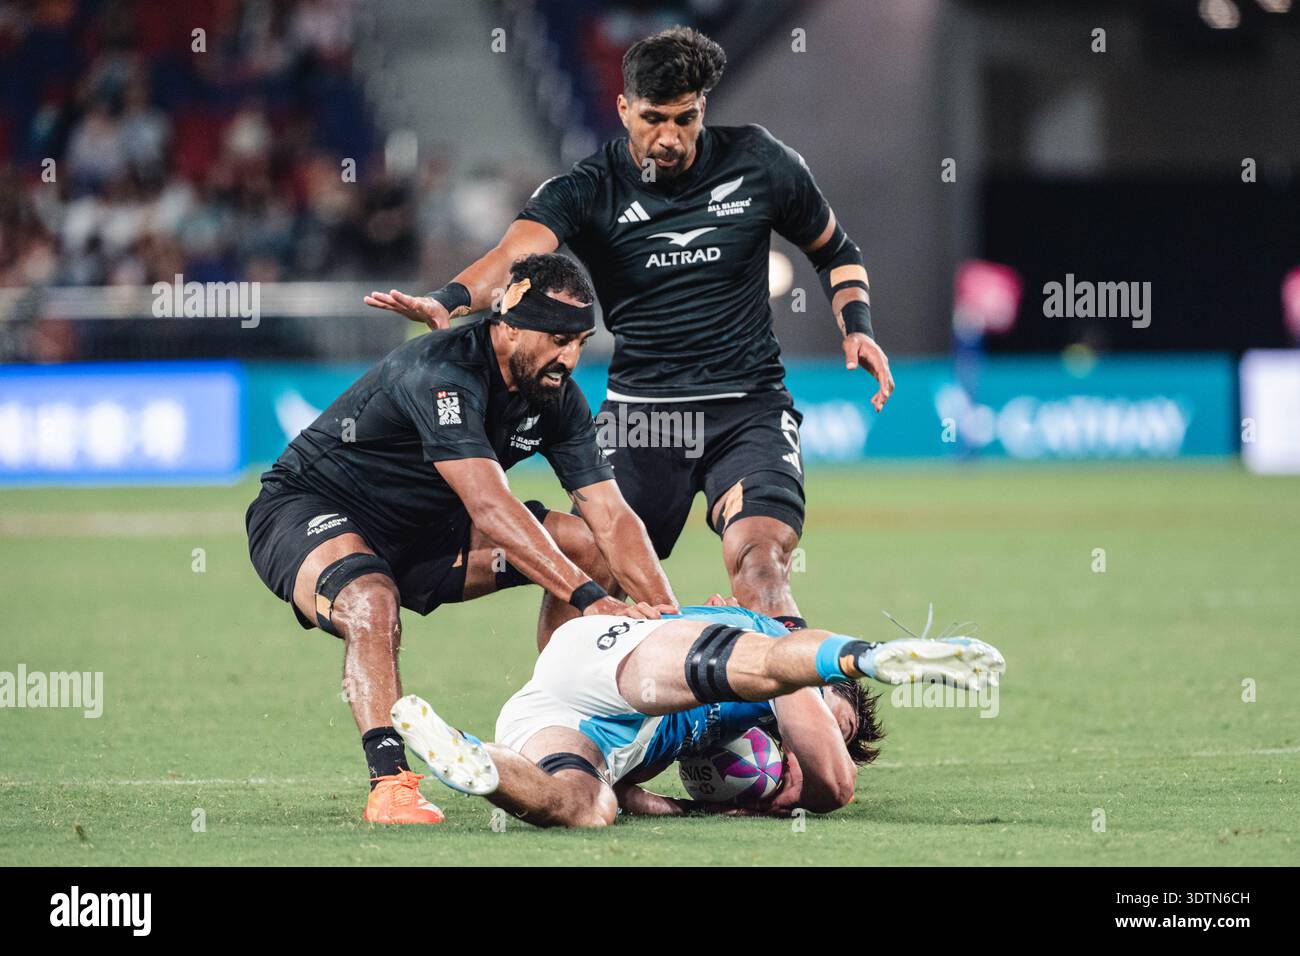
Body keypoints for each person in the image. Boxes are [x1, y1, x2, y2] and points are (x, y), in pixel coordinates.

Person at [365, 26, 893, 633]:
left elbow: (836, 249)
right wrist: (452, 298)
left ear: (703, 108)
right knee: (588, 566)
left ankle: (808, 725)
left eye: (685, 119)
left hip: (748, 410)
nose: (668, 137)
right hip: (643, 418)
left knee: (761, 564)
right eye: (652, 119)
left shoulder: (761, 161)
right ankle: (560, 721)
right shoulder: (589, 188)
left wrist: (857, 325)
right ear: (623, 108)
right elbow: (516, 254)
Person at [246, 253, 677, 824]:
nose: (570, 358)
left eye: (580, 341)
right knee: (371, 602)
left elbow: (612, 517)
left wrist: (666, 614)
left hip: (427, 534)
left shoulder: (556, 397)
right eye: (557, 338)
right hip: (309, 510)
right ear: (511, 323)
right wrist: (588, 598)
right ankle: (391, 786)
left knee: (590, 549)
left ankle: (562, 732)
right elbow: (490, 505)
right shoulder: (442, 371)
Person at [388, 600, 1005, 828]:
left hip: (575, 719)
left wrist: (683, 808)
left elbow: (628, 794)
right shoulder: (773, 653)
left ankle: (471, 756)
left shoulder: (711, 735)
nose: (813, 738)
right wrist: (795, 794)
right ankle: (871, 657)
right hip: (620, 661)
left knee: (581, 805)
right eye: (829, 720)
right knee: (771, 662)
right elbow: (837, 787)